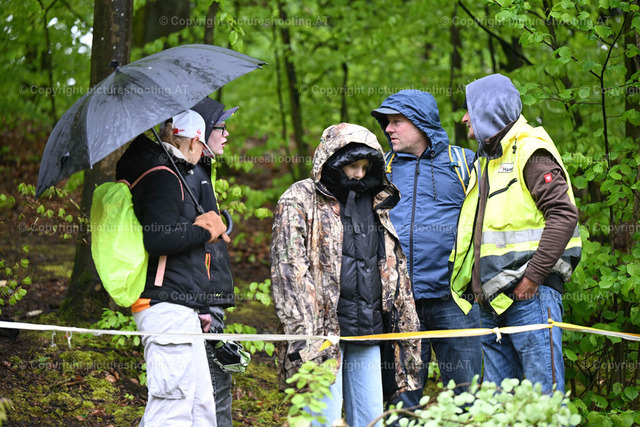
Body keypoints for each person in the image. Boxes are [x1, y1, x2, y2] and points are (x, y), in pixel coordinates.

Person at [270, 123, 421, 427]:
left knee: (371, 418)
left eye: (366, 167)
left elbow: (392, 268)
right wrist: (306, 335)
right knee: (323, 419)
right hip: (322, 334)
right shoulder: (299, 198)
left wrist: (402, 326)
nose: (360, 174)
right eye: (354, 166)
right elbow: (288, 271)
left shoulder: (375, 202)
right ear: (334, 160)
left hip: (367, 329)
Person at [450, 73, 582, 393]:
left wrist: (532, 279)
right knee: (499, 406)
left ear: (489, 110)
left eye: (470, 109)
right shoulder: (488, 160)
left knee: (543, 400)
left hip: (529, 297)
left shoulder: (530, 150)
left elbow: (563, 215)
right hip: (492, 302)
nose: (465, 118)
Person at [116, 109, 229, 426]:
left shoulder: (170, 173)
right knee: (172, 409)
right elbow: (158, 239)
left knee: (200, 408)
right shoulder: (163, 177)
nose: (202, 155)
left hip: (181, 305)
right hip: (165, 306)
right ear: (193, 141)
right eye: (202, 147)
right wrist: (204, 231)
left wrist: (200, 306)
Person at [370, 90, 482, 403]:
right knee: (402, 399)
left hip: (455, 300)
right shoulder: (381, 169)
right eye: (387, 122)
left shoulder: (464, 164)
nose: (388, 128)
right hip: (400, 301)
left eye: (397, 121)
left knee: (467, 397)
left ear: (421, 123)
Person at [190, 97, 239, 427]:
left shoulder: (202, 171)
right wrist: (202, 304)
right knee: (213, 388)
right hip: (203, 302)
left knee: (213, 385)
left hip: (210, 300)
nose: (226, 134)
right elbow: (189, 247)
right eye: (221, 127)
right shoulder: (190, 175)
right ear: (202, 130)